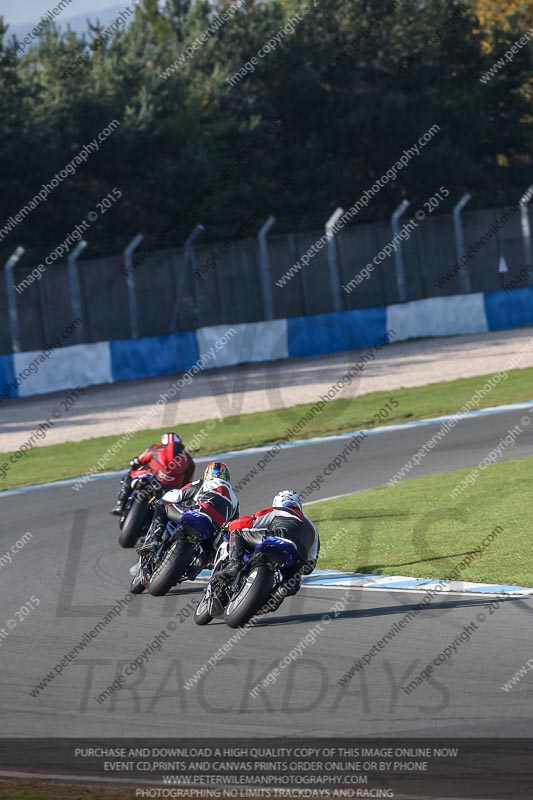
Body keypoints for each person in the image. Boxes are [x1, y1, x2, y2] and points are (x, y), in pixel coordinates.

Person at [219, 489, 319, 608]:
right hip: (297, 554)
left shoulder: (277, 511)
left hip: (276, 537)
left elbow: (250, 522)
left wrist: (228, 525)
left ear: (277, 502)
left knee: (238, 533)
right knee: (292, 582)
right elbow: (310, 565)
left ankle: (234, 564)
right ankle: (279, 593)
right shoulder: (313, 528)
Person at [137, 461, 239, 574]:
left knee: (162, 505)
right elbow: (232, 528)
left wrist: (160, 500)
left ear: (208, 474)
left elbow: (176, 495)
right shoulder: (234, 500)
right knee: (213, 550)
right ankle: (204, 559)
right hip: (213, 531)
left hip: (196, 514)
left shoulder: (203, 484)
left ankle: (154, 539)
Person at [110, 432, 194, 516]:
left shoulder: (155, 448)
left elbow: (138, 461)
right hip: (171, 489)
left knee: (129, 475)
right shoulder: (188, 459)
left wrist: (134, 463)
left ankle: (120, 504)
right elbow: (186, 482)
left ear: (163, 441)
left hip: (154, 477)